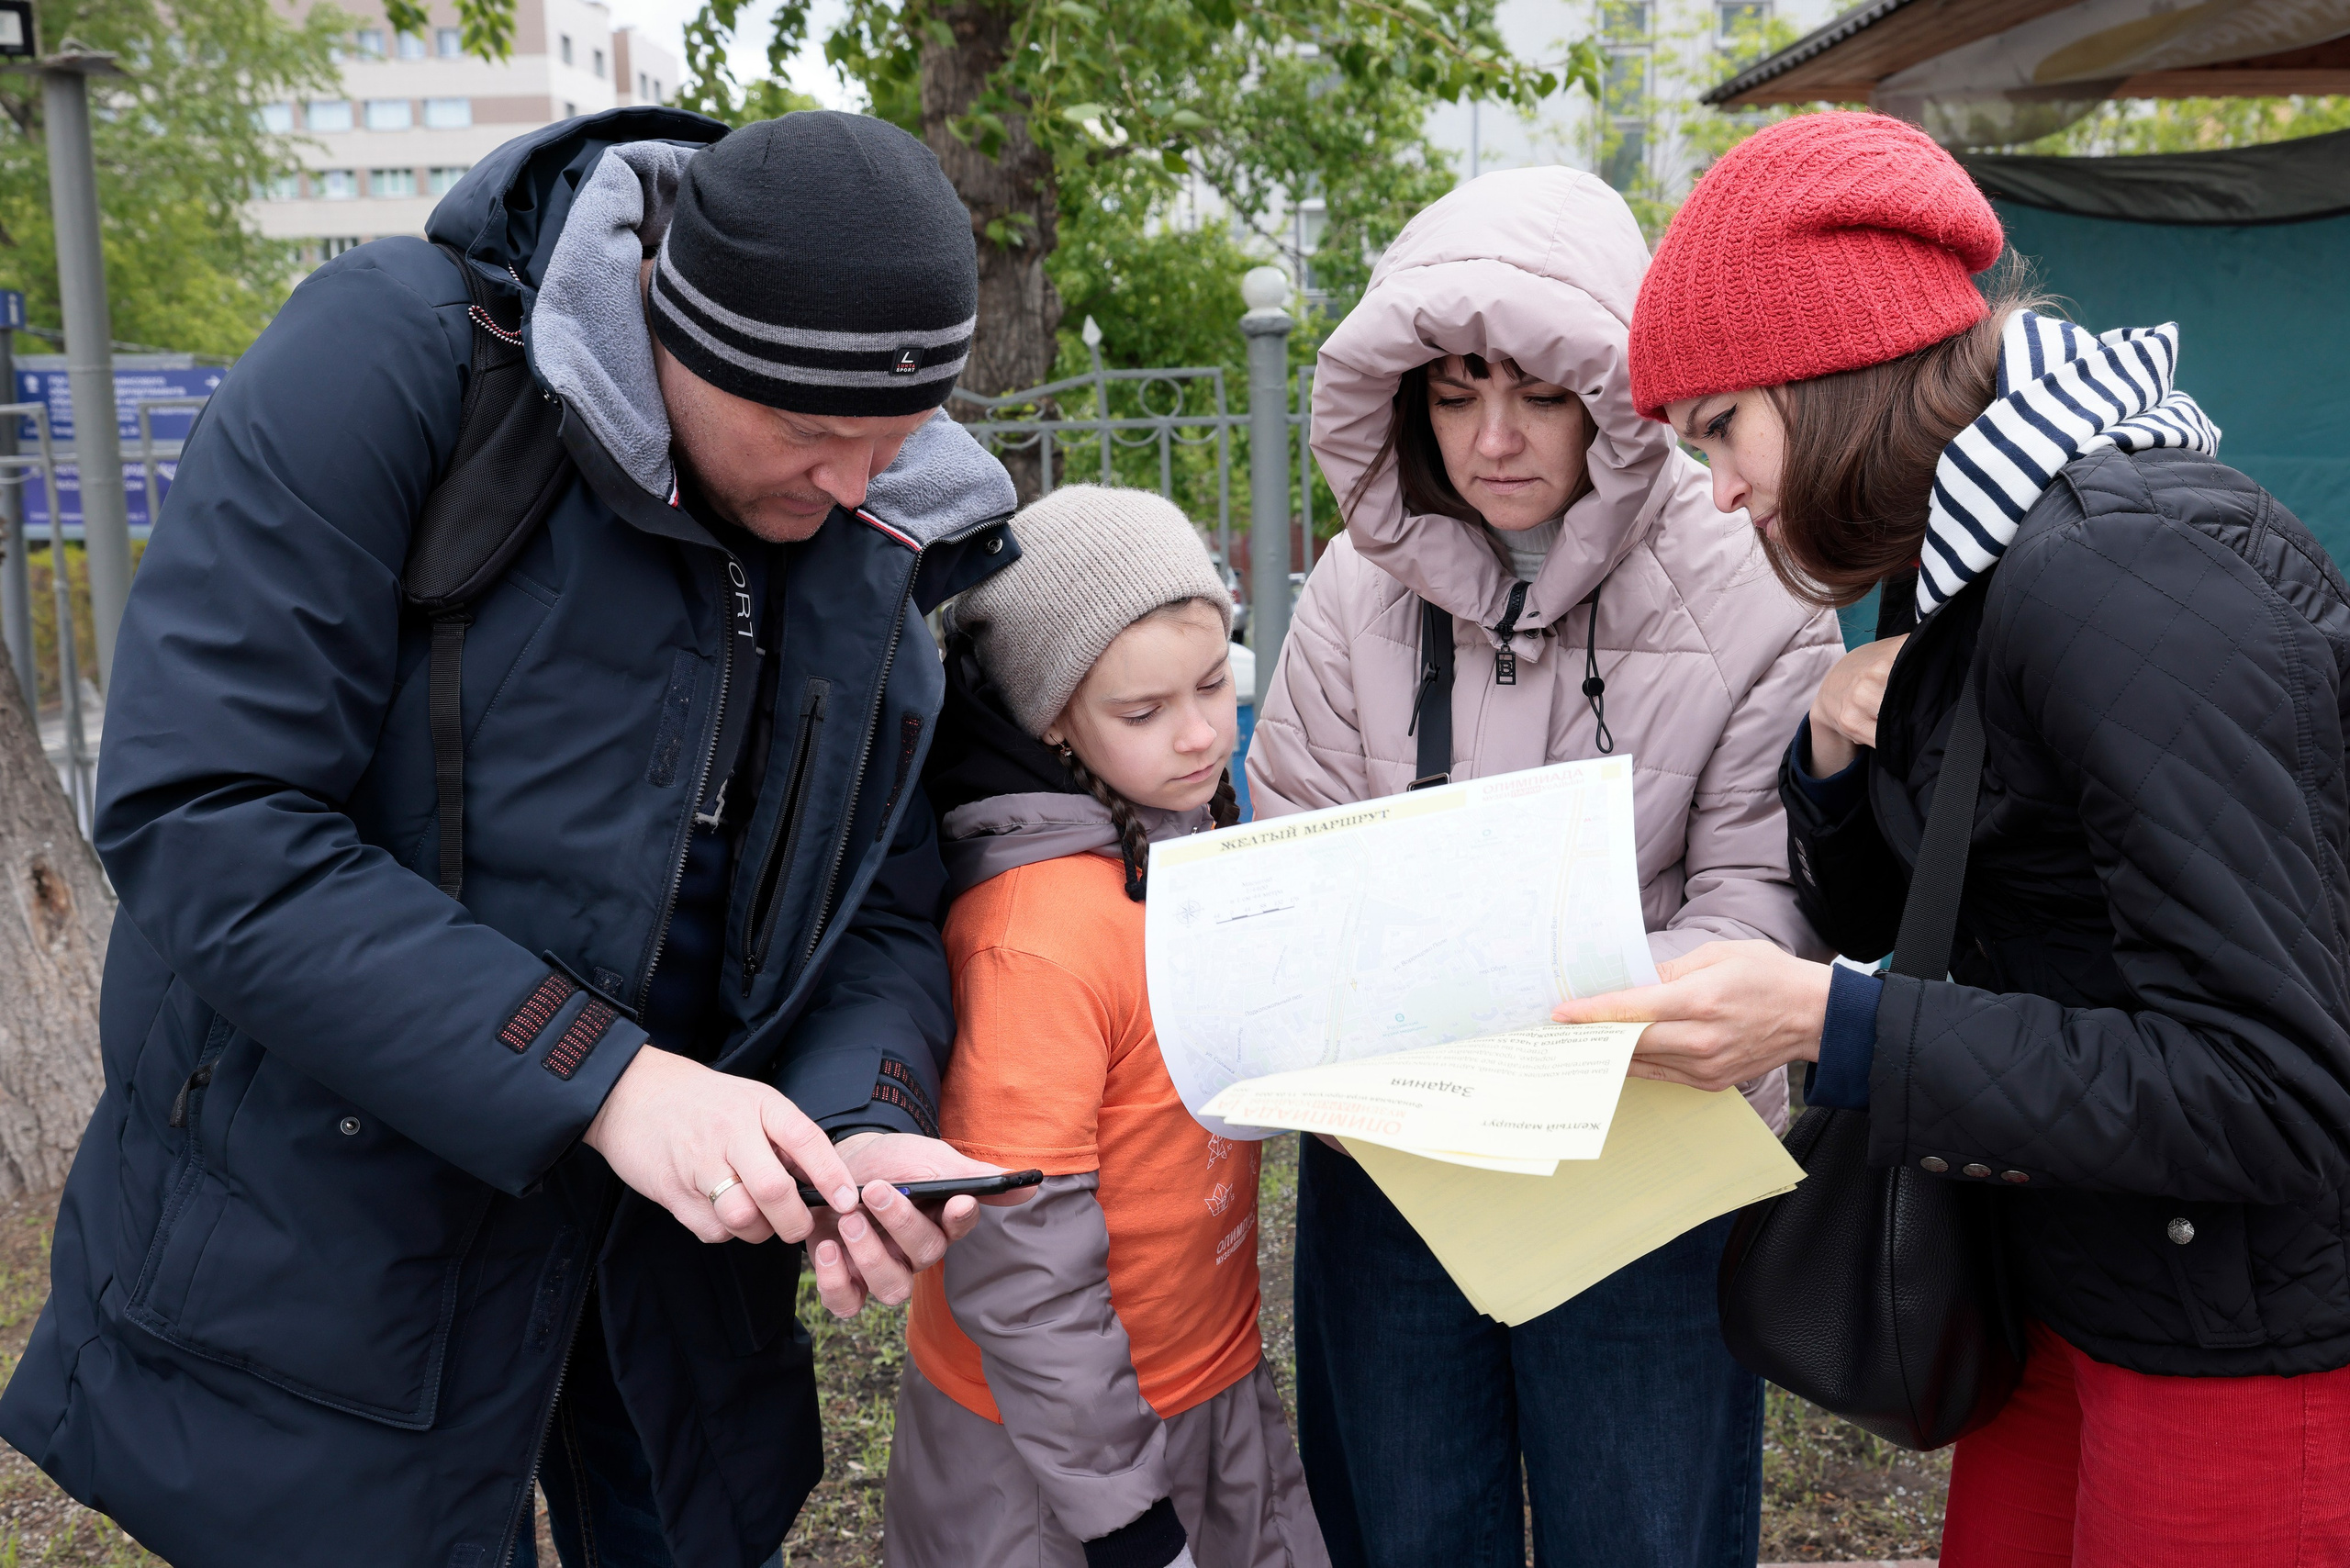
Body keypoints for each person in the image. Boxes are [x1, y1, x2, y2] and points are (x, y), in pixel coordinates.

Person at [0, 108, 1032, 1568]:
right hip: (328, 1257)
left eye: (899, 436)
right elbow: (207, 815)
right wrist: (597, 1075)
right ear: (680, 338)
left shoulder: (863, 527)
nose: (860, 488)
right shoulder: (388, 362)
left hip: (665, 1289)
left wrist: (865, 1117)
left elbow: (870, 900)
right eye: (811, 434)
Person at [1569, 109, 2350, 1566]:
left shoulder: (2123, 572)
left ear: (1834, 371)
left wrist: (1831, 1022)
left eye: (1723, 428)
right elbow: (1960, 916)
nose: (1721, 490)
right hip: (2071, 1291)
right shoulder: (1978, 553)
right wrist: (1824, 754)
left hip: (2242, 1345)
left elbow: (2275, 1092)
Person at [1246, 166, 1841, 1567]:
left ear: (1616, 397)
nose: (1493, 439)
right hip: (1393, 1164)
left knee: (1644, 1532)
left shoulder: (1753, 586)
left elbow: (1754, 897)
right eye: (1454, 395)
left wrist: (1577, 1023)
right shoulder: (1348, 591)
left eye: (1541, 393)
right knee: (1405, 1528)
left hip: (1638, 1158)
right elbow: (1294, 843)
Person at [883, 485, 1328, 1568]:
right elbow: (1018, 1252)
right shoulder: (1032, 933)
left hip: (1202, 1378)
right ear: (1051, 719)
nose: (1197, 733)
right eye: (1143, 711)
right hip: (1054, 1466)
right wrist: (1122, 1514)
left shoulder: (1184, 834)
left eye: (1216, 683)